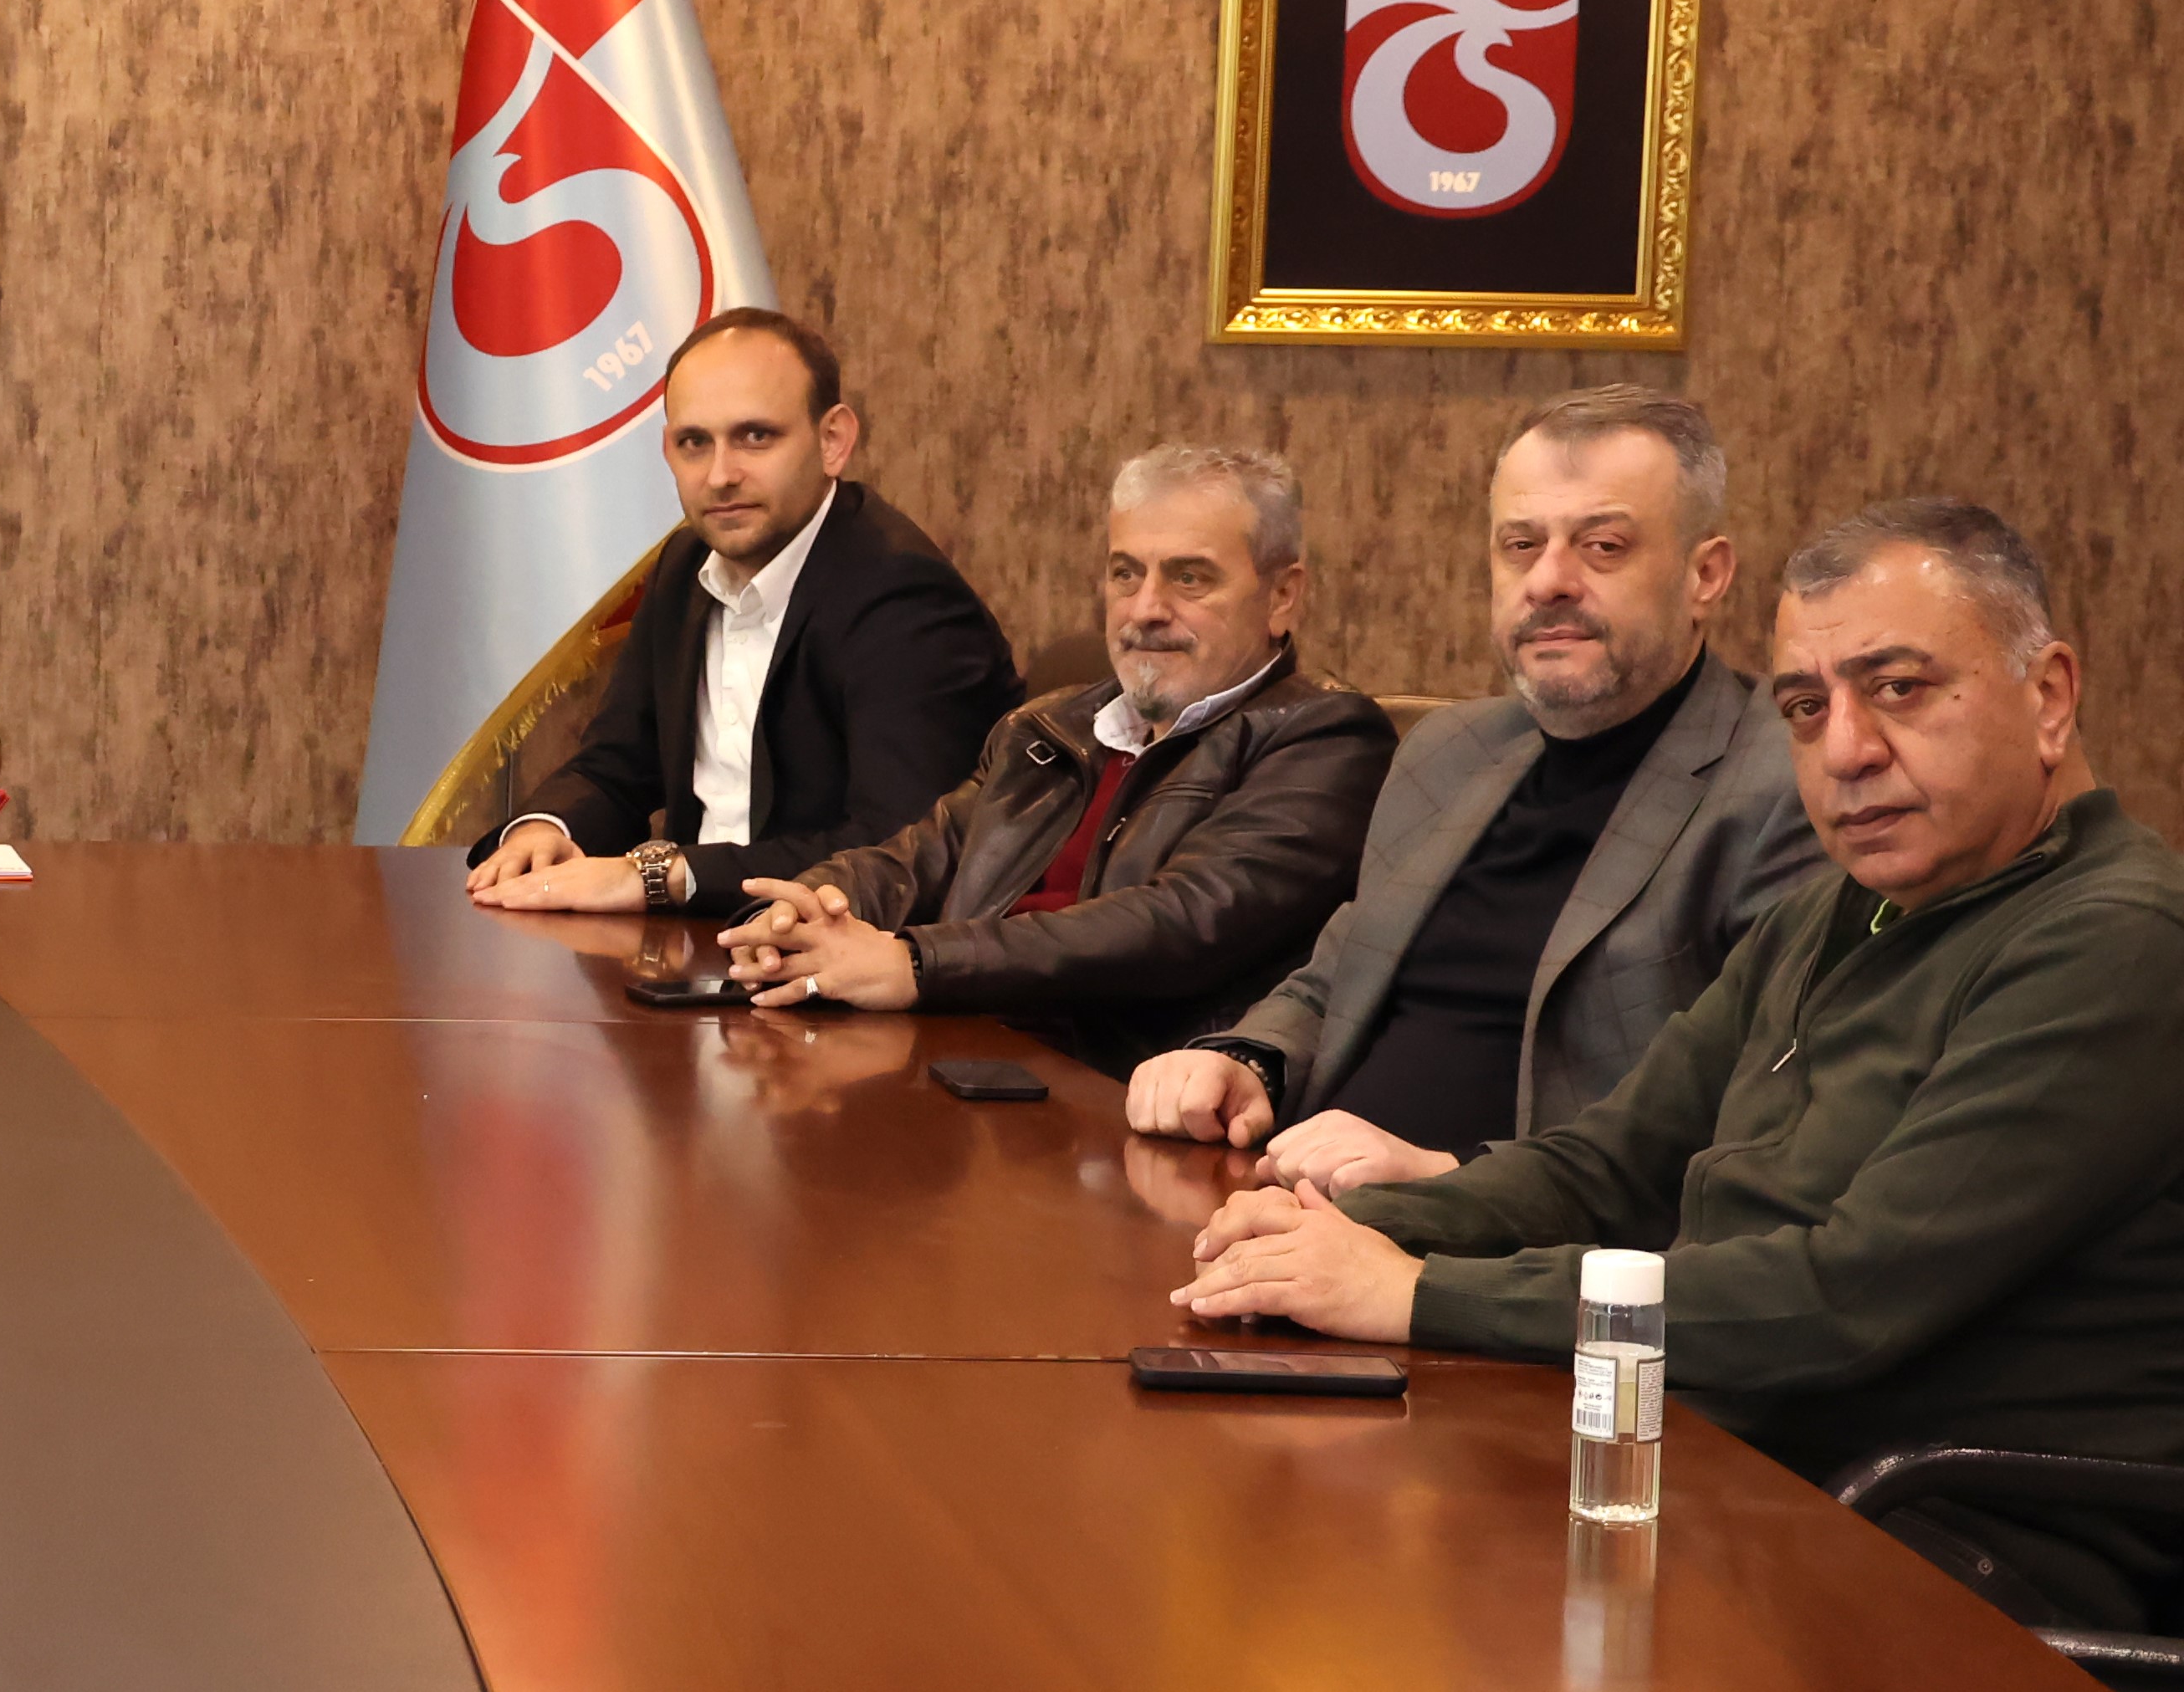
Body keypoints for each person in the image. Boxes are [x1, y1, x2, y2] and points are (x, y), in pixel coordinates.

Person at [1176, 499, 2184, 1633]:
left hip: (1942, 1543)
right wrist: (1330, 1229)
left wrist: (1414, 1292)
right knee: (1284, 1545)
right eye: (1805, 708)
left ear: (2048, 696)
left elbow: (1840, 1299)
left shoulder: (2116, 940)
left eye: (1900, 688)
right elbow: (1607, 1165)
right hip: (1724, 1461)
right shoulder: (1837, 910)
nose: (1846, 751)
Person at [1128, 388, 1821, 1185]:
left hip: (1508, 1243)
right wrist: (1250, 1060)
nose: (1549, 581)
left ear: (1706, 574)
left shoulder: (1785, 782)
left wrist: (1448, 1180)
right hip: (1288, 1201)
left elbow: (1756, 1120)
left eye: (1602, 546)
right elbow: (1340, 975)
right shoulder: (1449, 751)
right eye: (1521, 545)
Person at [713, 447, 1394, 1067]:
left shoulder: (1326, 739)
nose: (1145, 609)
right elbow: (915, 859)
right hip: (952, 1061)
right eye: (1125, 574)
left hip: (1123, 1100)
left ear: (1282, 596)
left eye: (1189, 578)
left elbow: (1181, 922)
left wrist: (916, 963)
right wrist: (802, 914)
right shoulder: (1051, 725)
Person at [466, 308, 1022, 917]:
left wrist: (662, 875)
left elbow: (898, 855)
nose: (721, 475)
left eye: (756, 437)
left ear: (833, 441)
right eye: (694, 443)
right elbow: (618, 764)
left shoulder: (905, 598)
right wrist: (547, 828)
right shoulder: (684, 565)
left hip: (830, 956)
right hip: (694, 941)